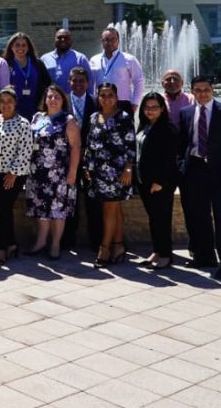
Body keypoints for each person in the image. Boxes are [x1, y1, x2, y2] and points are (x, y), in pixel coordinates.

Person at [178, 75, 221, 280]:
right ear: (192, 91)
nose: (202, 93)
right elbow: (183, 143)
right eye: (197, 90)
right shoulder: (186, 113)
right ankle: (204, 256)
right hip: (194, 171)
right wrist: (182, 167)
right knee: (199, 217)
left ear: (212, 90)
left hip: (220, 173)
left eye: (206, 89)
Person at [83, 82, 137, 268]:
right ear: (98, 97)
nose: (106, 99)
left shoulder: (124, 118)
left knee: (109, 209)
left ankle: (104, 248)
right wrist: (87, 168)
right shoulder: (92, 117)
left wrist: (129, 168)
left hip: (117, 172)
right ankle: (119, 245)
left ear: (116, 97)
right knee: (115, 209)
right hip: (98, 172)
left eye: (110, 95)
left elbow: (131, 145)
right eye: (103, 95)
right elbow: (89, 145)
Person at [25, 84, 81, 260]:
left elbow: (76, 147)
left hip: (59, 173)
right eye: (49, 96)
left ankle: (55, 244)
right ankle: (41, 242)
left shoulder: (68, 120)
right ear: (45, 99)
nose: (53, 100)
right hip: (37, 172)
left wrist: (72, 172)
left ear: (62, 100)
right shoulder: (37, 117)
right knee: (40, 209)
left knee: (58, 210)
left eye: (57, 96)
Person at [0, 87, 33, 265]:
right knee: (3, 209)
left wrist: (13, 173)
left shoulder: (23, 124)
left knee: (5, 209)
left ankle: (1, 248)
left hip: (13, 175)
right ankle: (12, 244)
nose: (6, 105)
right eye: (2, 102)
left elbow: (25, 151)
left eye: (9, 102)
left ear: (15, 104)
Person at [135, 92, 180, 270]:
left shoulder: (168, 129)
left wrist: (160, 181)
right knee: (154, 219)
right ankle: (157, 251)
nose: (150, 111)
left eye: (154, 107)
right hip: (143, 181)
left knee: (162, 219)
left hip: (160, 183)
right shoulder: (145, 126)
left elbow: (170, 159)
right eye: (147, 107)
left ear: (162, 109)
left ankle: (166, 255)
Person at [61, 66, 102, 252]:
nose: (77, 84)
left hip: (90, 159)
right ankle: (68, 240)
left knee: (93, 200)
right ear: (69, 82)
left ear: (88, 83)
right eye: (74, 80)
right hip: (67, 159)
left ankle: (97, 241)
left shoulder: (96, 102)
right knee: (69, 199)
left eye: (81, 81)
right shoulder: (61, 103)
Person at [90, 27, 146, 114]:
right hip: (101, 104)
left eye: (113, 39)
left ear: (118, 41)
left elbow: (139, 82)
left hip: (122, 104)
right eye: (106, 39)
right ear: (102, 41)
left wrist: (135, 104)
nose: (110, 42)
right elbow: (91, 83)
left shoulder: (129, 59)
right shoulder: (94, 60)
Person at [2, 32, 50, 121]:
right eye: (17, 45)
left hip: (35, 109)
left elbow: (48, 84)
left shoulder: (37, 63)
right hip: (12, 110)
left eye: (24, 45)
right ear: (11, 47)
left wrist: (42, 102)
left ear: (28, 47)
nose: (20, 48)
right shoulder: (5, 64)